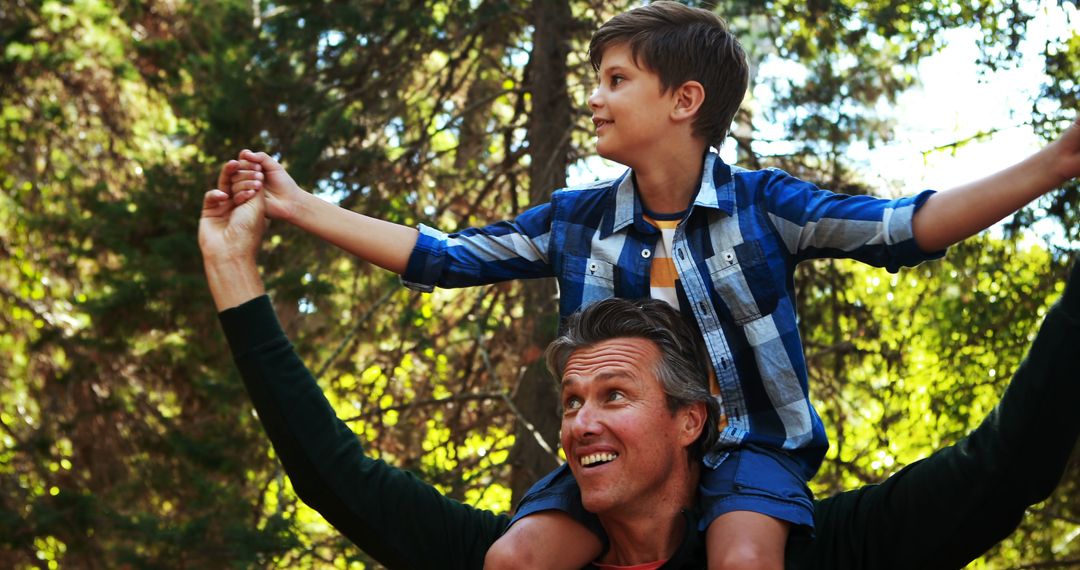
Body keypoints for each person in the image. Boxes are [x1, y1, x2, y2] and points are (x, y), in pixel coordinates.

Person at [222, 2, 1080, 567]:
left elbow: (907, 226)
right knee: (511, 560)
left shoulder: (764, 207)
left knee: (744, 559)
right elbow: (442, 255)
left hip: (751, 454)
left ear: (684, 99)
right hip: (612, 471)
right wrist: (301, 209)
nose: (593, 99)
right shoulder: (574, 220)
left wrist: (1061, 160)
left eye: (615, 80)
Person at [199, 179, 1079, 568]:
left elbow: (1008, 467)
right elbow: (331, 474)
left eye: (614, 396)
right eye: (573, 400)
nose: (578, 422)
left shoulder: (810, 551)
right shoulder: (517, 556)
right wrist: (235, 275)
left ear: (692, 421)